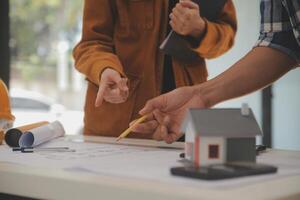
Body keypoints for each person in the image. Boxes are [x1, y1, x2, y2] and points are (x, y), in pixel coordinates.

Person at [133, 0, 300, 143]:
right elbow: (282, 43)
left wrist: (200, 29)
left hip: (184, 91)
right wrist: (200, 96)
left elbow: (228, 38)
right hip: (138, 105)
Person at [73, 0, 237, 138]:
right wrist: (104, 69)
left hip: (188, 118)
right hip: (119, 124)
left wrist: (200, 29)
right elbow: (91, 44)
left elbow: (227, 36)